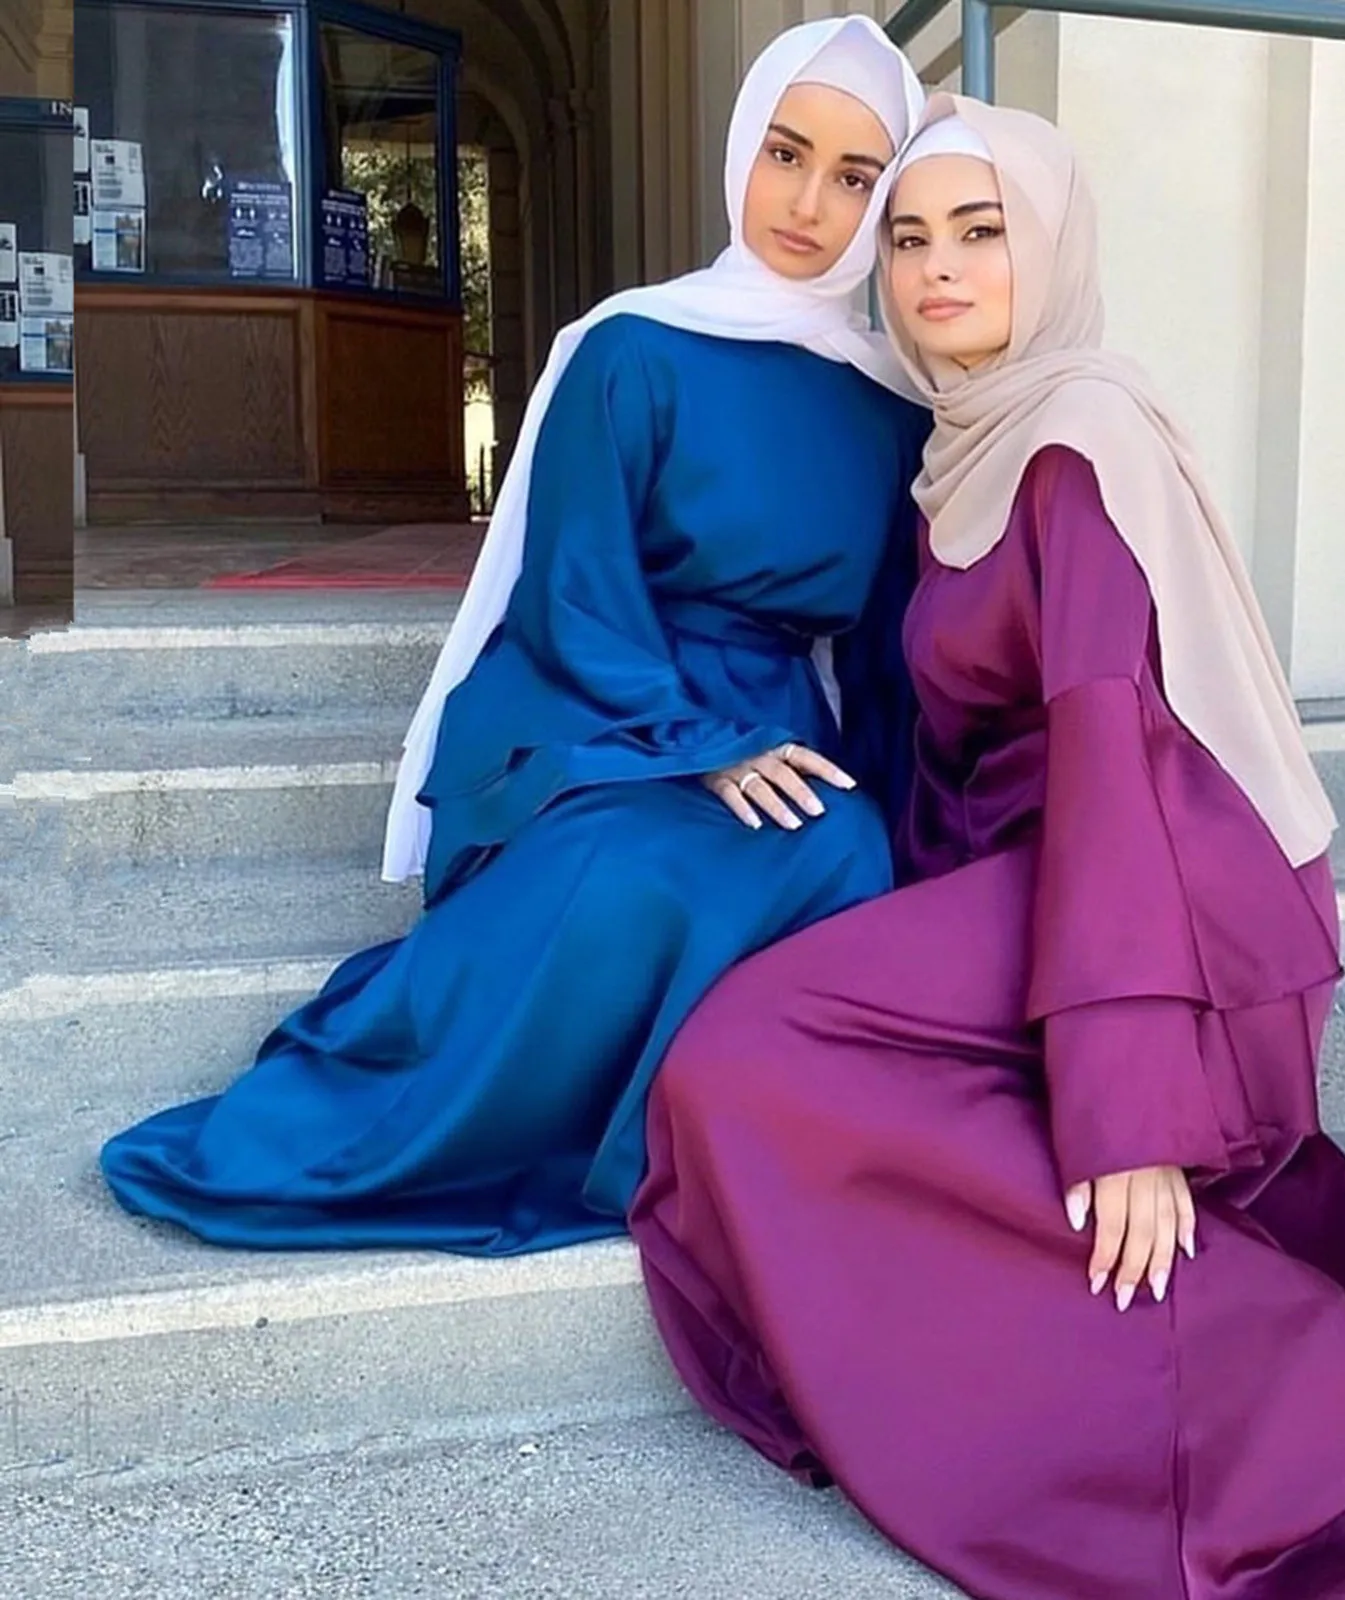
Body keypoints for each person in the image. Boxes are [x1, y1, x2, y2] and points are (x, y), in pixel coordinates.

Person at [629, 97, 1345, 1598]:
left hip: (1170, 905)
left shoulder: (1078, 447)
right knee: (760, 1059)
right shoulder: (967, 444)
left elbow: (1116, 757)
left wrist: (1129, 1099)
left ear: (1055, 248)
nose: (937, 269)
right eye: (909, 241)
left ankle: (1266, 1387)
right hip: (1044, 884)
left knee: (743, 1057)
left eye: (983, 232)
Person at [97, 16, 929, 1257]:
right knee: (634, 872)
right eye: (785, 153)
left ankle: (685, 1138)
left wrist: (910, 799)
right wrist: (697, 745)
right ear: (742, 150)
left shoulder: (891, 405)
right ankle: (440, 1123)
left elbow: (882, 651)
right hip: (601, 707)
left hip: (781, 727)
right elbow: (576, 590)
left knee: (845, 851)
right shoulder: (630, 349)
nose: (809, 203)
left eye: (855, 177)